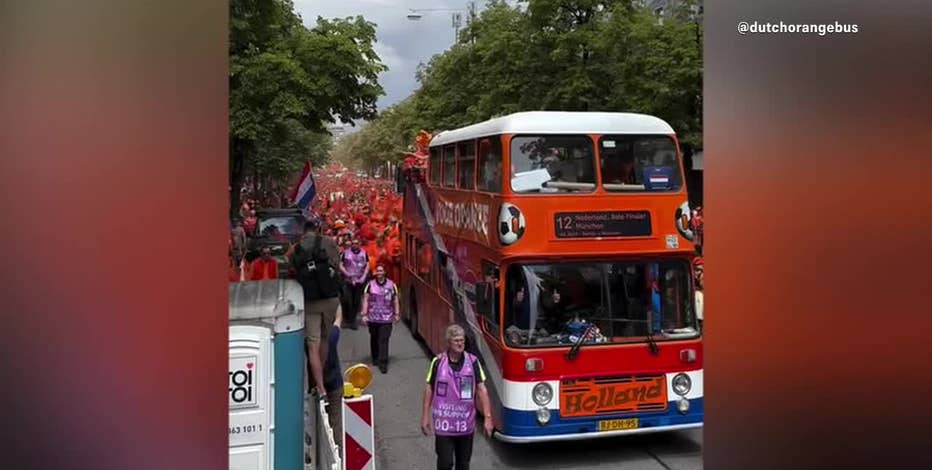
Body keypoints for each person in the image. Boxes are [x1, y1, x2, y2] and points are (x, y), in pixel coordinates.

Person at [421, 324, 494, 470]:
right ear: (448, 342)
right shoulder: (438, 362)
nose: (460, 343)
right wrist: (425, 417)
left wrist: (488, 418)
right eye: (456, 340)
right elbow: (429, 388)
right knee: (445, 462)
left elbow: (482, 389)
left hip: (465, 425)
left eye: (462, 340)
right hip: (444, 424)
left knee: (463, 464)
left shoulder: (473, 362)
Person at [291, 219, 343, 398]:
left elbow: (291, 271)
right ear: (317, 229)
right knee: (325, 340)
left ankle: (319, 387)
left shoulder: (296, 248)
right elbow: (337, 266)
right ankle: (326, 380)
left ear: (303, 231)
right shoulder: (328, 242)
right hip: (329, 298)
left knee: (312, 345)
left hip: (309, 300)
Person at [360, 265, 400, 373]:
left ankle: (383, 362)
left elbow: (395, 299)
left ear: (385, 272)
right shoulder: (370, 285)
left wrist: (396, 314)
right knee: (374, 338)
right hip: (373, 318)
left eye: (381, 270)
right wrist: (364, 314)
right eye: (377, 271)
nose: (379, 272)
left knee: (383, 339)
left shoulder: (391, 285)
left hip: (386, 318)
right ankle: (375, 357)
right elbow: (366, 299)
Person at [324, 315, 345, 449]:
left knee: (321, 421)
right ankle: (338, 452)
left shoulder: (311, 341)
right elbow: (338, 320)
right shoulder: (331, 335)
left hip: (320, 386)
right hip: (334, 385)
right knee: (335, 422)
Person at [340, 237, 369, 329]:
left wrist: (364, 276)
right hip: (348, 280)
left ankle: (352, 321)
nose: (354, 245)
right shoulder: (345, 253)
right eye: (353, 243)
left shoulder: (364, 253)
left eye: (356, 243)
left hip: (359, 281)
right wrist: (346, 273)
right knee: (347, 300)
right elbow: (340, 264)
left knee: (356, 301)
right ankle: (347, 319)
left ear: (359, 244)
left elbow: (367, 265)